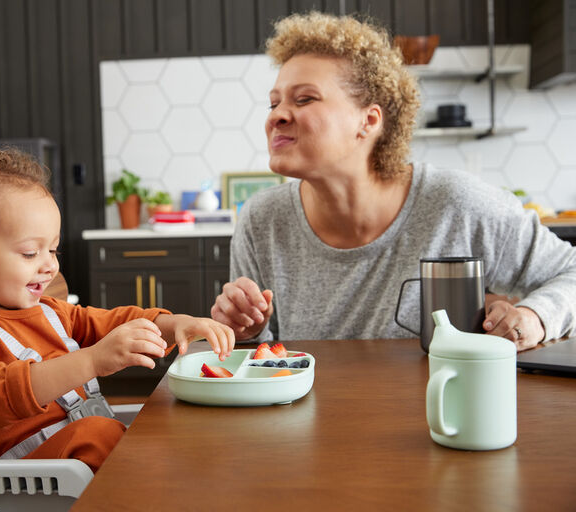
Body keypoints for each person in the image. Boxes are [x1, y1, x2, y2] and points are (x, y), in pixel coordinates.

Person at [211, 12, 576, 351]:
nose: (277, 117)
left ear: (368, 122)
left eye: (304, 99)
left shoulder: (457, 204)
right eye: (273, 104)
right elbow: (264, 361)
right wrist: (248, 332)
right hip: (313, 418)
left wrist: (535, 317)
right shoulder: (262, 221)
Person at [0, 147, 234, 472]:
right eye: (29, 253)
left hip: (74, 466)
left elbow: (113, 323)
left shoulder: (52, 312)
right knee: (98, 434)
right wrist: (93, 360)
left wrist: (175, 323)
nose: (49, 266)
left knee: (168, 423)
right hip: (17, 481)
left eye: (53, 250)